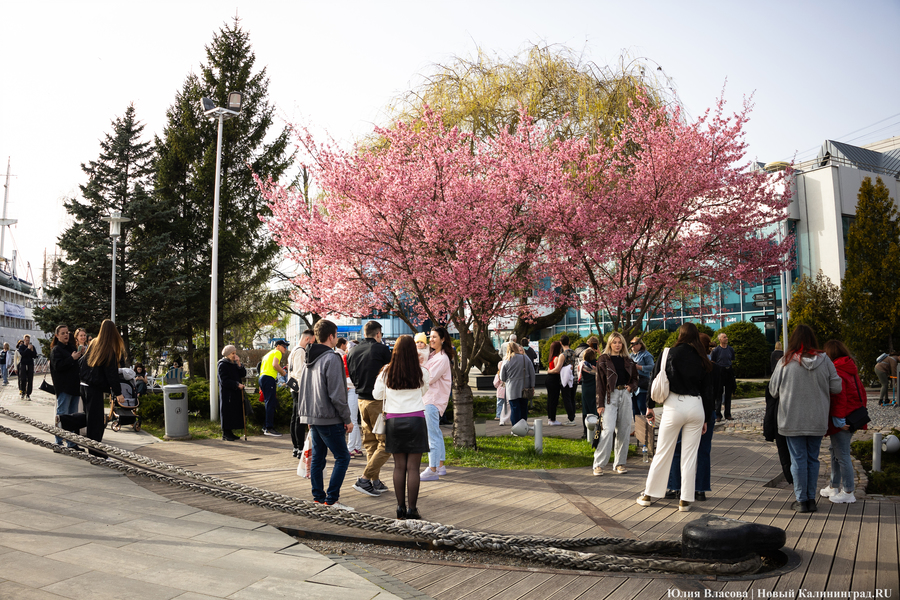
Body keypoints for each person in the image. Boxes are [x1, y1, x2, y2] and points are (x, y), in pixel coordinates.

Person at [637, 323, 714, 512]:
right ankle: (685, 500)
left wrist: (649, 406)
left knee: (663, 452)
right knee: (690, 455)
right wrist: (705, 418)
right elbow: (708, 391)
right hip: (696, 406)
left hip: (674, 405)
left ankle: (648, 495)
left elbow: (654, 379)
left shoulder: (668, 353)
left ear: (680, 335)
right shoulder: (702, 357)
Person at [768, 324, 841, 513]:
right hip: (817, 418)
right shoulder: (825, 360)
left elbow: (773, 390)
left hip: (791, 419)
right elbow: (837, 387)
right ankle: (811, 499)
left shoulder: (784, 361)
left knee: (798, 459)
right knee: (813, 459)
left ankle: (801, 501)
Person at [297, 319, 354, 509]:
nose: (337, 338)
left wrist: (306, 415)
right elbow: (337, 394)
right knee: (343, 457)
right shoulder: (332, 358)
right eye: (336, 335)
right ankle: (331, 500)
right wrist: (347, 418)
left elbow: (304, 388)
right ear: (331, 336)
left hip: (313, 415)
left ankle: (318, 498)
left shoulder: (308, 357)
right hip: (329, 416)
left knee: (318, 458)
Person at [373, 335, 431, 519]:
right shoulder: (422, 371)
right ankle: (412, 509)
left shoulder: (386, 371)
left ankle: (400, 508)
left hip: (394, 421)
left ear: (395, 350)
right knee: (413, 467)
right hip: (416, 419)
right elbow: (424, 391)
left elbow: (376, 395)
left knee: (399, 466)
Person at [665, 333, 722, 501]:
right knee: (703, 451)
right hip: (707, 411)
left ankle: (675, 486)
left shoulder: (689, 363)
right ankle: (700, 489)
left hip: (687, 408)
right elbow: (716, 393)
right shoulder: (714, 368)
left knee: (678, 449)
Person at [62, 319, 125, 457]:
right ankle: (95, 451)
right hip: (94, 388)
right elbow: (112, 373)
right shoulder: (108, 349)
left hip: (84, 385)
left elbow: (83, 362)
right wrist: (118, 393)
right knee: (96, 421)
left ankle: (64, 421)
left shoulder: (94, 343)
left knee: (90, 417)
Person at [347, 320, 393, 496]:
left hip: (361, 400)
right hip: (378, 402)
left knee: (370, 443)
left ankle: (375, 481)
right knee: (386, 443)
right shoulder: (382, 349)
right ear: (378, 334)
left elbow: (351, 375)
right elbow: (390, 373)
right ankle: (365, 479)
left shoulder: (352, 351)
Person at [820, 340, 866, 504]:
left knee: (842, 455)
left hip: (843, 419)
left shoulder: (837, 370)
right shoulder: (850, 368)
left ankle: (848, 491)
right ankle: (834, 485)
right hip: (852, 417)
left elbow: (839, 398)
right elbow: (862, 394)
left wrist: (839, 421)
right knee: (835, 451)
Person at [592, 332, 638, 476]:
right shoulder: (603, 360)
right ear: (610, 344)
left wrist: (631, 387)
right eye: (614, 342)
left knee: (624, 430)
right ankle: (598, 464)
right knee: (608, 429)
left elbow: (635, 378)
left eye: (619, 342)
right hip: (609, 396)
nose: (617, 345)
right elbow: (599, 383)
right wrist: (600, 404)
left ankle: (620, 463)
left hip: (625, 394)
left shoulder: (628, 360)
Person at [421, 327, 454, 481]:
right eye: (430, 336)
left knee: (432, 435)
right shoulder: (433, 355)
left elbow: (429, 378)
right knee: (436, 433)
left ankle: (432, 468)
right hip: (431, 399)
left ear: (443, 339)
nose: (431, 339)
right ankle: (440, 466)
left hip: (432, 400)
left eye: (435, 337)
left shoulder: (442, 359)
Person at [49, 325, 83, 447]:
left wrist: (80, 355)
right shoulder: (56, 350)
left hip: (75, 387)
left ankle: (71, 443)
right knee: (62, 414)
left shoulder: (72, 347)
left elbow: (77, 365)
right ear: (57, 335)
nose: (66, 335)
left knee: (73, 416)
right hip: (64, 387)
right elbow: (58, 366)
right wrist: (71, 358)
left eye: (67, 332)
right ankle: (58, 442)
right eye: (62, 333)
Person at [334, 333, 363, 458]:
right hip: (353, 390)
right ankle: (356, 447)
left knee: (352, 420)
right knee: (354, 420)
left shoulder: (346, 358)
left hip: (351, 390)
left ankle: (351, 448)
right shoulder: (355, 358)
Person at [289, 329, 315, 458]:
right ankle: (299, 447)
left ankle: (296, 447)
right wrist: (303, 390)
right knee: (299, 419)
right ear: (307, 339)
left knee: (295, 418)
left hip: (293, 387)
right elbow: (299, 373)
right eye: (312, 342)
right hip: (299, 388)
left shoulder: (294, 350)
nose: (312, 345)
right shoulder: (300, 351)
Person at [500, 342, 535, 427]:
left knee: (514, 408)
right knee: (523, 407)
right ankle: (523, 426)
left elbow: (502, 377)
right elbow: (532, 373)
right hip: (525, 386)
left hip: (511, 388)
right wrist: (532, 386)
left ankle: (515, 427)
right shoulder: (525, 358)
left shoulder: (506, 360)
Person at [258, 339, 288, 436]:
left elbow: (262, 367)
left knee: (268, 402)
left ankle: (265, 426)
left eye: (286, 346)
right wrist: (283, 372)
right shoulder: (277, 352)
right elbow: (275, 364)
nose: (285, 348)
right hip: (269, 378)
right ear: (277, 346)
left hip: (263, 378)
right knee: (271, 403)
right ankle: (269, 428)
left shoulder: (268, 354)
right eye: (284, 346)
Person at [218, 345, 247, 441]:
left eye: (235, 353)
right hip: (227, 393)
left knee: (233, 412)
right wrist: (236, 384)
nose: (234, 355)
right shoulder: (222, 364)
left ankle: (230, 432)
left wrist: (239, 363)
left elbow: (243, 374)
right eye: (232, 353)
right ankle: (226, 432)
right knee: (227, 412)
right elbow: (224, 380)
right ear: (227, 354)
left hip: (235, 392)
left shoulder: (234, 363)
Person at [710, 333, 736, 421]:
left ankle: (727, 414)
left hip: (728, 371)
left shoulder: (730, 349)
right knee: (718, 393)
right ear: (720, 339)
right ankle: (718, 414)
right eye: (724, 337)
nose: (726, 338)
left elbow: (731, 359)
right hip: (719, 371)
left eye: (726, 337)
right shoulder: (716, 350)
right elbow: (713, 362)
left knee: (728, 393)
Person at [630, 336, 654, 417]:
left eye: (635, 343)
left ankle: (647, 424)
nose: (633, 345)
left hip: (642, 385)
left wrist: (638, 367)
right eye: (631, 343)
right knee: (634, 410)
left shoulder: (646, 355)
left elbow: (652, 367)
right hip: (632, 387)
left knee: (643, 408)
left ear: (641, 345)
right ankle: (637, 425)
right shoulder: (630, 356)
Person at [579, 348, 598, 441]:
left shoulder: (582, 365)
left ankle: (585, 432)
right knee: (595, 409)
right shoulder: (597, 365)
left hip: (585, 388)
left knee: (585, 410)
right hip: (595, 388)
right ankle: (596, 430)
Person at [559, 335, 578, 426]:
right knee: (572, 398)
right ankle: (572, 417)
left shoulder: (563, 355)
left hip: (566, 379)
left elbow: (559, 368)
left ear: (560, 343)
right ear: (569, 342)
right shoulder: (574, 353)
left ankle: (571, 419)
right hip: (574, 378)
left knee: (567, 399)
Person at [545, 341, 564, 425]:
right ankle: (553, 419)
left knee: (550, 399)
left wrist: (549, 371)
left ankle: (550, 418)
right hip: (554, 379)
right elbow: (557, 370)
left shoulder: (551, 358)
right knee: (554, 400)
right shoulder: (556, 358)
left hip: (549, 379)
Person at [17, 334, 37, 400]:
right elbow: (22, 354)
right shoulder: (21, 347)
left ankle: (28, 394)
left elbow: (34, 356)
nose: (27, 341)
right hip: (23, 364)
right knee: (23, 379)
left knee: (30, 379)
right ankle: (23, 391)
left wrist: (32, 350)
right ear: (24, 340)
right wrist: (28, 349)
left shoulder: (32, 346)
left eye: (28, 340)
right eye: (26, 340)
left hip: (30, 364)